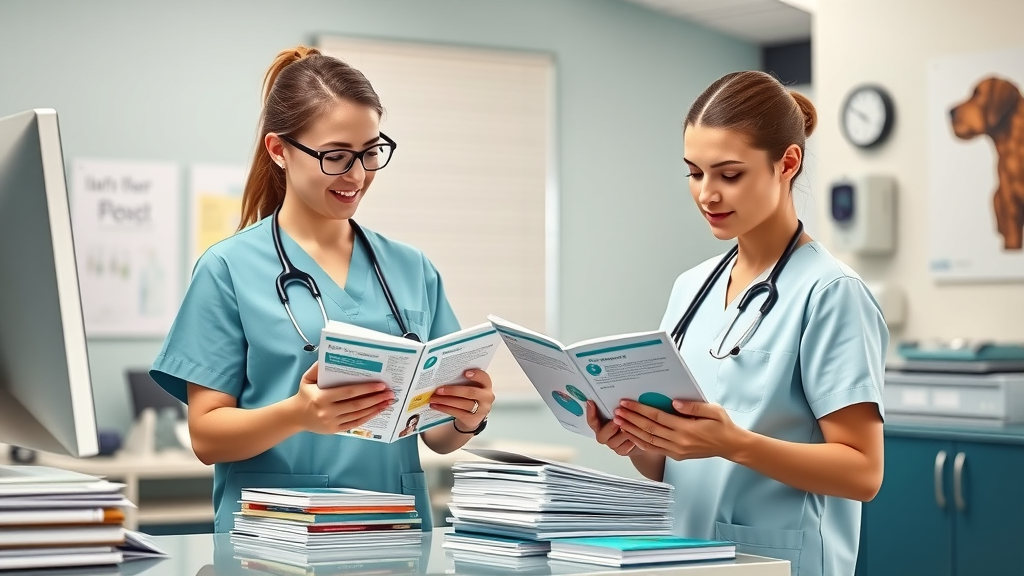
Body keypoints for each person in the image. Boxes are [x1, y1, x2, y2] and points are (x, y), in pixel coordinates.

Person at [150, 45, 494, 533]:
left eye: (371, 152)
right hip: (274, 542)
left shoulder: (412, 268)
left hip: (392, 538)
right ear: (279, 150)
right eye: (335, 156)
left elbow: (437, 436)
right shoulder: (227, 268)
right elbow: (208, 436)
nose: (357, 175)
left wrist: (466, 417)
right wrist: (297, 414)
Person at [586, 71, 887, 576]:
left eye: (729, 174)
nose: (707, 194)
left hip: (780, 561)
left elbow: (863, 472)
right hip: (682, 557)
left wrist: (735, 444)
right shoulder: (690, 288)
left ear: (787, 163)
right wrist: (639, 441)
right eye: (694, 173)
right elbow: (669, 466)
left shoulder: (831, 294)